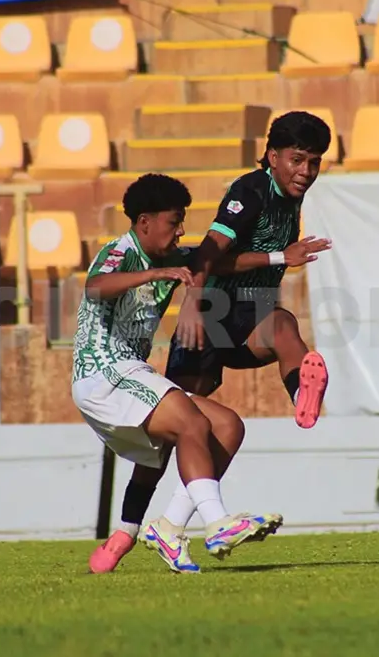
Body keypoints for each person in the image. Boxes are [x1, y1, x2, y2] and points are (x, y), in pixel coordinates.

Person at [90, 111, 335, 573]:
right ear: (272, 156)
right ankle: (126, 531)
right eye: (298, 160)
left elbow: (232, 263)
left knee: (283, 326)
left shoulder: (288, 197)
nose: (306, 171)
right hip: (210, 320)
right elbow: (209, 253)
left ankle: (302, 394)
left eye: (315, 162)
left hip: (245, 317)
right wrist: (191, 305)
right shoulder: (249, 192)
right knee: (172, 439)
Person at [77, 173, 278, 575]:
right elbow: (95, 286)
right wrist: (153, 275)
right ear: (144, 221)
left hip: (132, 374)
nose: (181, 229)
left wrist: (278, 257)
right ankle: (218, 524)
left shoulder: (172, 258)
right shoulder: (122, 251)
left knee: (226, 426)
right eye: (174, 221)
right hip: (103, 374)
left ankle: (167, 529)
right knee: (191, 423)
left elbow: (217, 261)